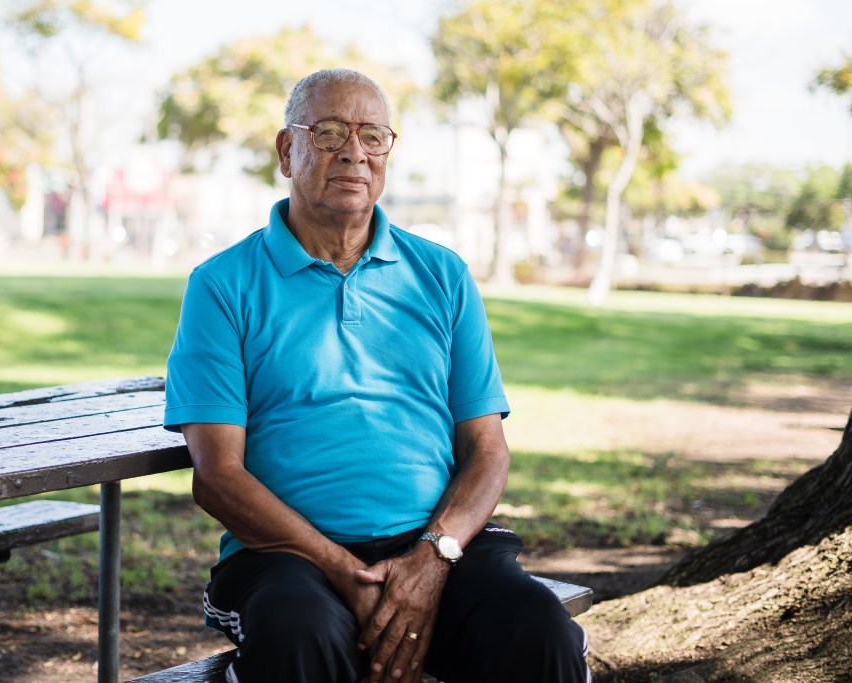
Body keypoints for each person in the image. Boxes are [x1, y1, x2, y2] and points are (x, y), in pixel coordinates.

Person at [164, 68, 589, 683]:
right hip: (288, 557)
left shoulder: (442, 275)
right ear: (288, 150)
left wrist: (433, 558)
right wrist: (343, 571)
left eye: (373, 136)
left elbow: (486, 448)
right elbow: (218, 477)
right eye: (330, 132)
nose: (354, 153)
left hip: (439, 543)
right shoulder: (222, 286)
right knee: (299, 636)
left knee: (537, 628)